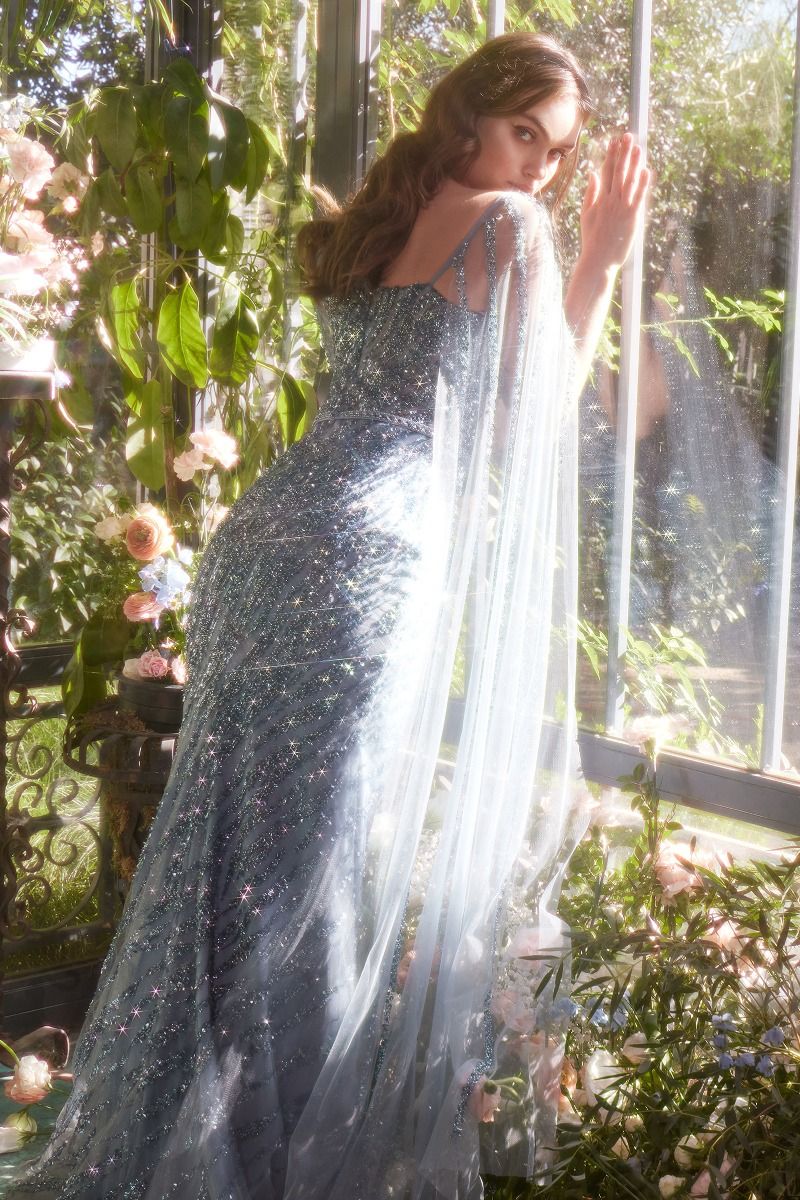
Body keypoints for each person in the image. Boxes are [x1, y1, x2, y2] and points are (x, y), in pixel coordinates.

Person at [13, 32, 648, 1200]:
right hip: (365, 565)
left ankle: (184, 1150)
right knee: (316, 879)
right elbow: (533, 426)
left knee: (226, 860)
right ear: (470, 115)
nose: (541, 168)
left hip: (263, 548)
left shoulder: (382, 220)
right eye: (526, 133)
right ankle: (262, 1168)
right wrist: (599, 265)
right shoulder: (510, 226)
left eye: (556, 153)